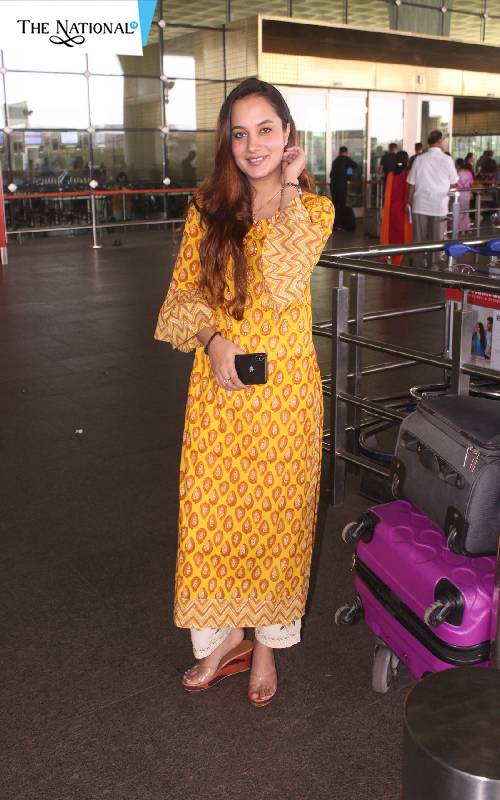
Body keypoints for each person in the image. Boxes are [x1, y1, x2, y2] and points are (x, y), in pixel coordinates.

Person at [154, 78, 334, 708]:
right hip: (219, 392)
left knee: (278, 518)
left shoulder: (311, 211)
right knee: (213, 515)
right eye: (240, 132)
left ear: (288, 136)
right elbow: (183, 298)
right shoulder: (205, 212)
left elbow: (282, 281)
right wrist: (213, 342)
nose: (253, 144)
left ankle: (265, 646)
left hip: (285, 397)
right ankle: (224, 636)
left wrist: (287, 186)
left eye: (266, 130)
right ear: (226, 142)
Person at [407, 130, 458, 267]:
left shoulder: (419, 159)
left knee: (419, 239)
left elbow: (411, 183)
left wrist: (409, 202)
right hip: (439, 204)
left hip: (420, 203)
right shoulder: (447, 159)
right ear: (440, 141)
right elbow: (454, 181)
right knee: (436, 240)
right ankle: (433, 266)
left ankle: (418, 266)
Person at [379, 150, 412, 265]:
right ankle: (399, 258)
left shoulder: (391, 174)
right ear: (406, 160)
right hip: (403, 210)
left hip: (391, 210)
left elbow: (387, 195)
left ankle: (390, 255)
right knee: (402, 235)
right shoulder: (408, 174)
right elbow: (408, 192)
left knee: (391, 233)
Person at [329, 145, 357, 228]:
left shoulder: (335, 161)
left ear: (339, 152)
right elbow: (355, 165)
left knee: (335, 204)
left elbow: (331, 175)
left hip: (333, 186)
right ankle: (340, 224)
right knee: (341, 204)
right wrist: (349, 173)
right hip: (342, 186)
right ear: (346, 152)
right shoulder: (346, 159)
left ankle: (334, 224)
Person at [455, 158, 473, 233]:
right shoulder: (468, 172)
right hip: (467, 193)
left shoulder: (456, 173)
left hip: (458, 194)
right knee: (466, 211)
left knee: (458, 211)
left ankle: (457, 227)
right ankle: (465, 227)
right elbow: (471, 182)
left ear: (458, 165)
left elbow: (454, 184)